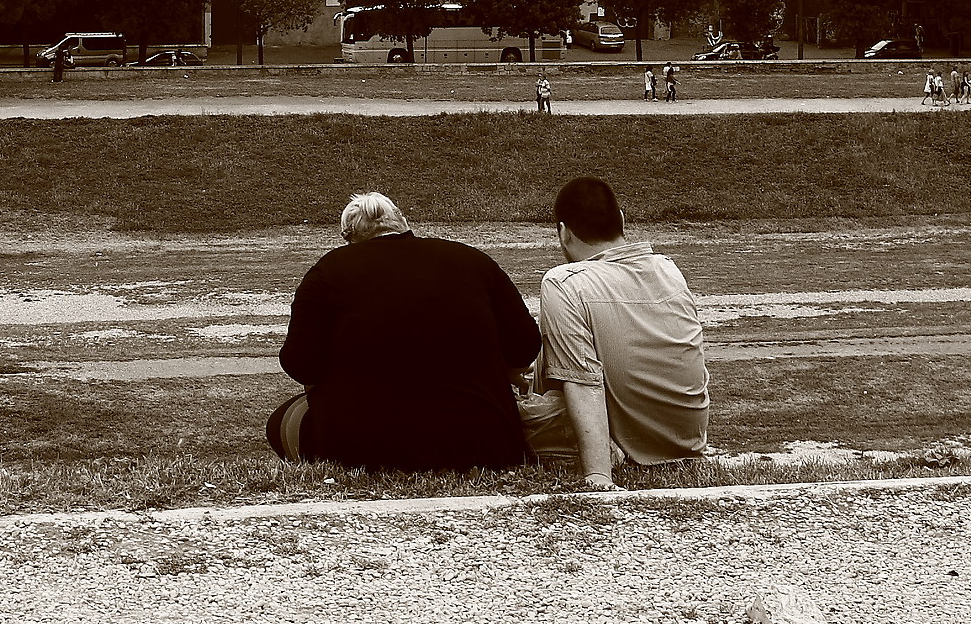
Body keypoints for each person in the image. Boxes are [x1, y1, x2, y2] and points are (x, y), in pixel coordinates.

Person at [270, 192, 541, 473]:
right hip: (484, 442)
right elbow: (526, 345)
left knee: (283, 420)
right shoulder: (475, 261)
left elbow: (300, 364)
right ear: (402, 221)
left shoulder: (326, 272)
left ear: (348, 237)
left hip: (365, 450)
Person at [528, 176, 710, 490]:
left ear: (563, 233)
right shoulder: (668, 269)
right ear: (622, 220)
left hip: (625, 446)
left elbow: (582, 380)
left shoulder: (564, 282)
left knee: (495, 414)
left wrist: (598, 477)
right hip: (684, 442)